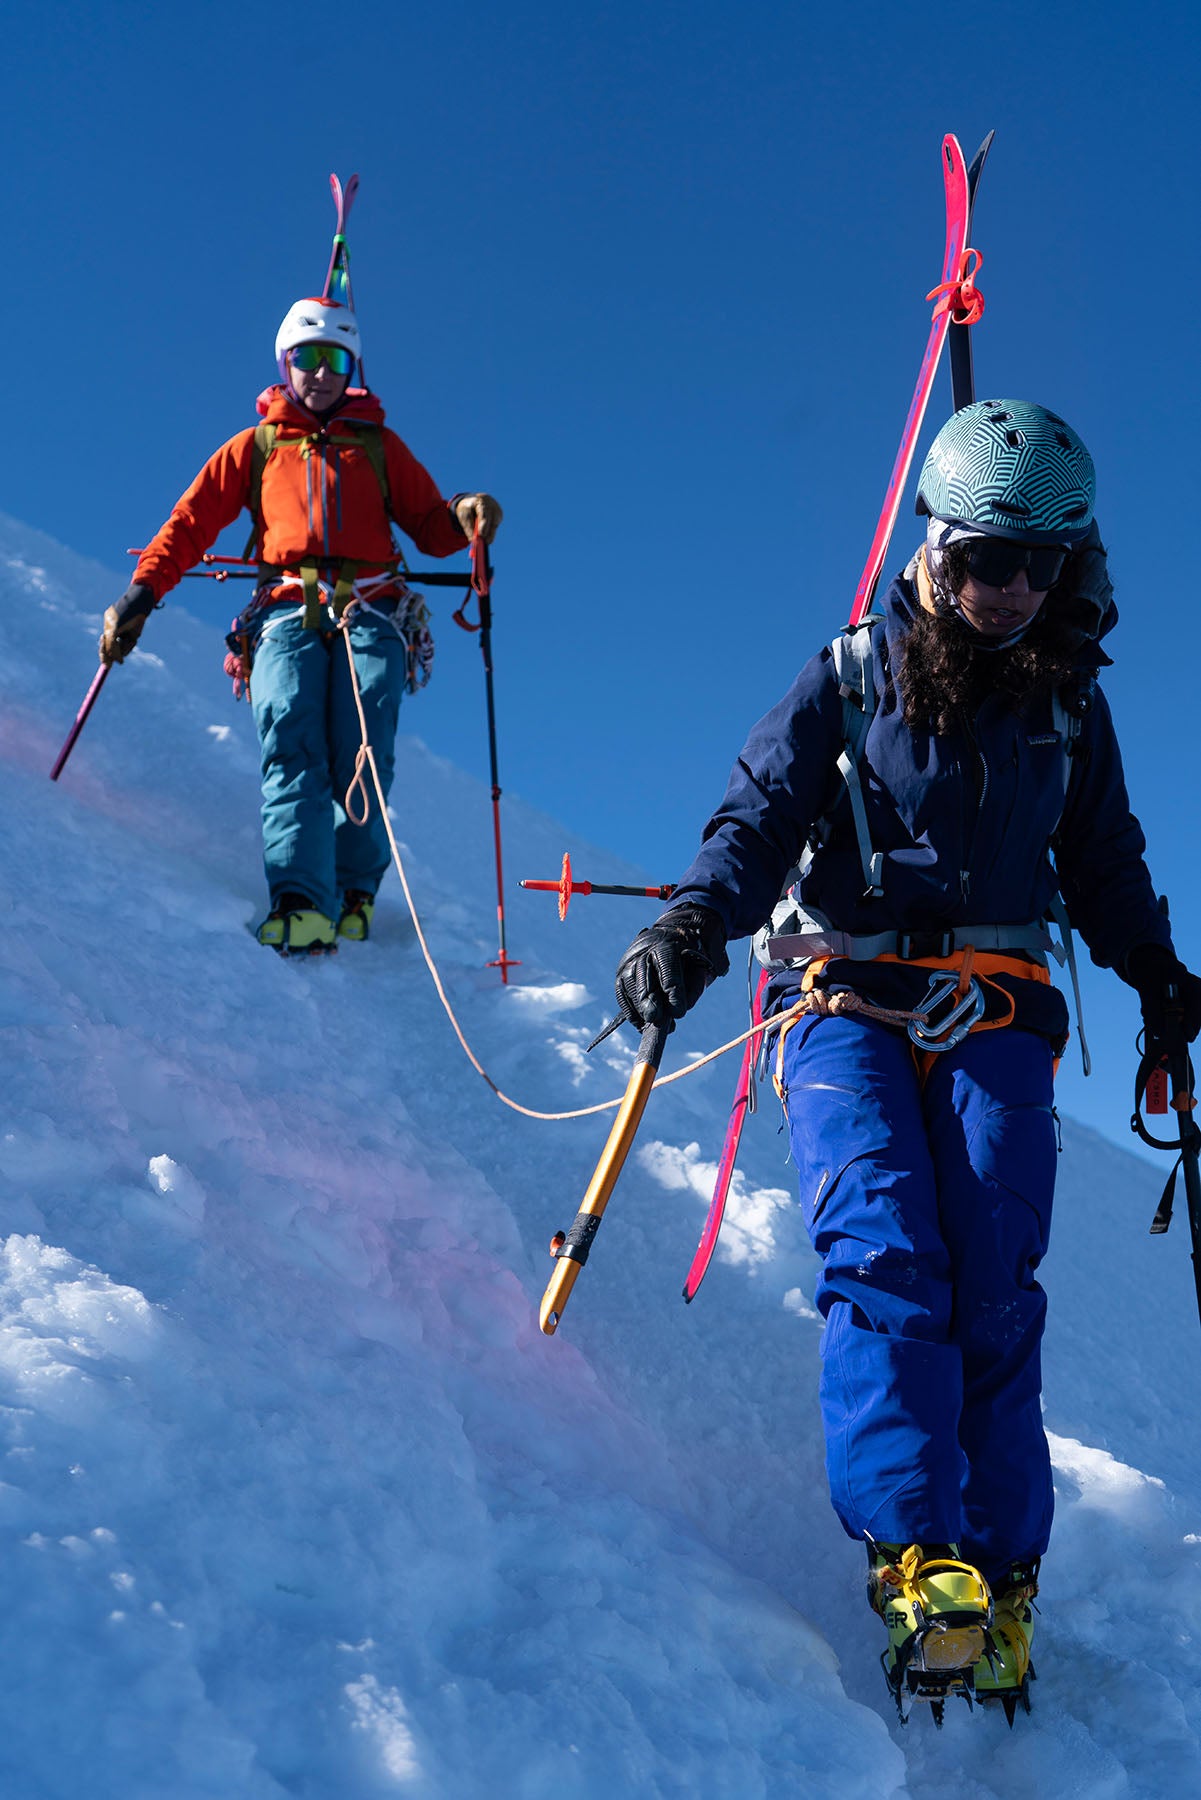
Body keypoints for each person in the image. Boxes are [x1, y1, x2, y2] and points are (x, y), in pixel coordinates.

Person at [613, 399, 1201, 1720]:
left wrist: (1160, 982)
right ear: (934, 545)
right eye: (988, 558)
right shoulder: (849, 675)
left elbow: (1105, 866)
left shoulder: (1067, 708)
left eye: (1040, 565)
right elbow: (757, 811)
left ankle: (1003, 1564)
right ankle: (915, 1552)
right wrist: (697, 918)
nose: (1010, 590)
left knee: (995, 1267)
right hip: (843, 1002)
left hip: (995, 1006)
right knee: (883, 1246)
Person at [100, 296, 502, 953]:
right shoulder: (256, 447)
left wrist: (463, 513)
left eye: (334, 359)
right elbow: (191, 523)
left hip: (370, 608)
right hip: (284, 609)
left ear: (352, 367)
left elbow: (430, 528)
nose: (320, 372)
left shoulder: (377, 446)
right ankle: (300, 899)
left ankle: (352, 890)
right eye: (306, 358)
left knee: (363, 745)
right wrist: (141, 593)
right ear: (285, 362)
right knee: (291, 740)